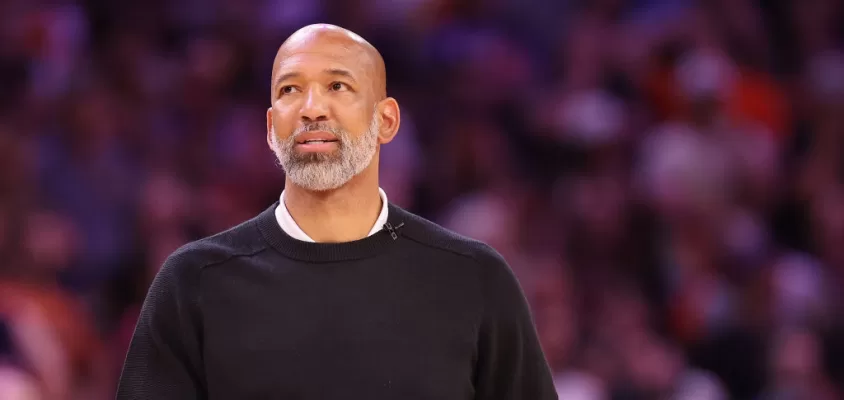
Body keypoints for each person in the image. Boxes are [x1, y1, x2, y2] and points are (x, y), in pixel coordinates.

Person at [116, 24, 557, 399]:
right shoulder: (194, 281)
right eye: (290, 89)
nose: (312, 108)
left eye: (337, 86)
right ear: (271, 129)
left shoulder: (473, 279)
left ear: (385, 121)